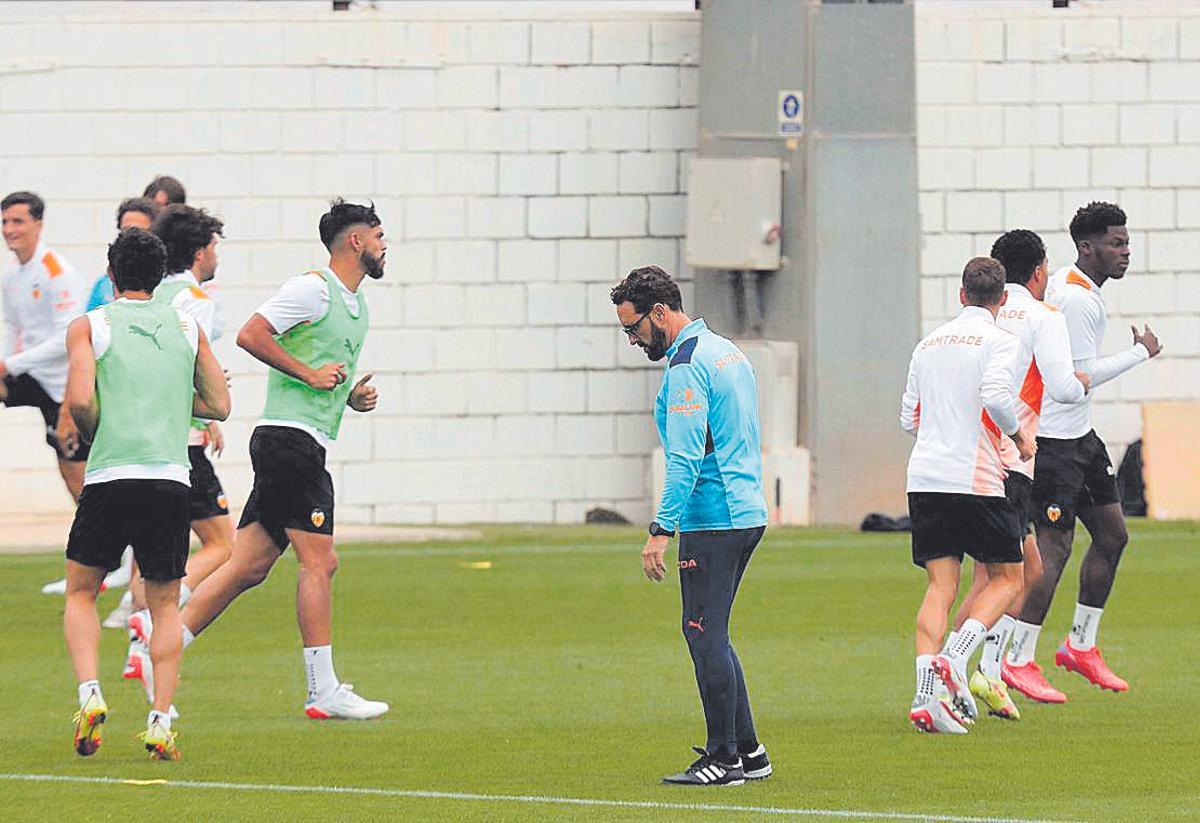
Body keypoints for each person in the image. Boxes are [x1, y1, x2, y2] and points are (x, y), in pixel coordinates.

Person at [131, 199, 387, 720]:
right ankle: (322, 689)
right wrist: (309, 375)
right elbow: (252, 334)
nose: (386, 246)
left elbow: (321, 375)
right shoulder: (313, 288)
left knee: (246, 567)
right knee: (321, 562)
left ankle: (161, 651)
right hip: (289, 443)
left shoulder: (356, 305)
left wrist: (348, 398)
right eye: (380, 236)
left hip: (297, 442)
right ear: (356, 241)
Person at [62, 227, 229, 761]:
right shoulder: (186, 325)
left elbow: (80, 400)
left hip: (110, 475)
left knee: (81, 591)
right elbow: (219, 405)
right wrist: (171, 399)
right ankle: (160, 721)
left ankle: (90, 693)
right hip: (169, 478)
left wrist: (100, 426)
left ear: (111, 274)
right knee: (163, 606)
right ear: (159, 276)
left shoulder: (90, 325)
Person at [611, 265, 771, 786]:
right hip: (746, 509)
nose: (633, 340)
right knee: (713, 633)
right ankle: (749, 751)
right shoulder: (726, 350)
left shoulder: (686, 365)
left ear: (659, 313)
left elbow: (684, 458)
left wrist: (661, 529)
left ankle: (724, 758)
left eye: (634, 328)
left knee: (702, 634)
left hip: (714, 515)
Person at [1005, 202, 1162, 699]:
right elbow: (1077, 378)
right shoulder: (1075, 300)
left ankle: (1080, 646)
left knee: (1113, 535)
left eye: (1127, 242)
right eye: (1117, 243)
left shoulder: (1080, 291)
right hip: (1054, 442)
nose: (1125, 252)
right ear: (1087, 247)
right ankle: (1018, 658)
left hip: (1081, 438)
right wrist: (1140, 353)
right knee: (1053, 548)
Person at [948, 230, 1091, 715]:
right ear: (1038, 271)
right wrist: (1089, 377)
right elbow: (1065, 388)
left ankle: (985, 673)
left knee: (1013, 571)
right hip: (1011, 461)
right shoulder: (1043, 316)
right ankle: (952, 668)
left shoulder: (978, 319)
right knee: (1007, 576)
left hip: (973, 458)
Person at [900, 257, 1035, 735]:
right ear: (1002, 299)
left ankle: (925, 698)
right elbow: (997, 395)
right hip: (974, 477)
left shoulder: (928, 344)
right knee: (1009, 577)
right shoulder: (1001, 341)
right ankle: (956, 658)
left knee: (940, 586)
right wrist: (1019, 437)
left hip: (925, 477)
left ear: (961, 295)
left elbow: (908, 417)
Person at [122, 205, 234, 697]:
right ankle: (151, 614)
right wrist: (207, 411)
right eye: (213, 247)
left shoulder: (148, 296)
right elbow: (183, 365)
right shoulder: (195, 301)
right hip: (180, 443)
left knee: (152, 550)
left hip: (141, 441)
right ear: (199, 252)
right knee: (223, 543)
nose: (216, 256)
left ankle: (138, 645)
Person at [0, 191, 91, 517]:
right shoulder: (11, 275)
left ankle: (112, 542)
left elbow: (67, 340)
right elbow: (13, 328)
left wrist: (9, 364)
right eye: (5, 222)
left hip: (65, 388)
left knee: (75, 474)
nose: (9, 229)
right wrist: (6, 362)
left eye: (18, 221)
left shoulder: (57, 272)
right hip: (33, 375)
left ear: (38, 224)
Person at [86, 197, 162, 311]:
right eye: (126, 230)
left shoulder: (169, 284)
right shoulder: (103, 285)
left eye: (141, 231)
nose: (133, 237)